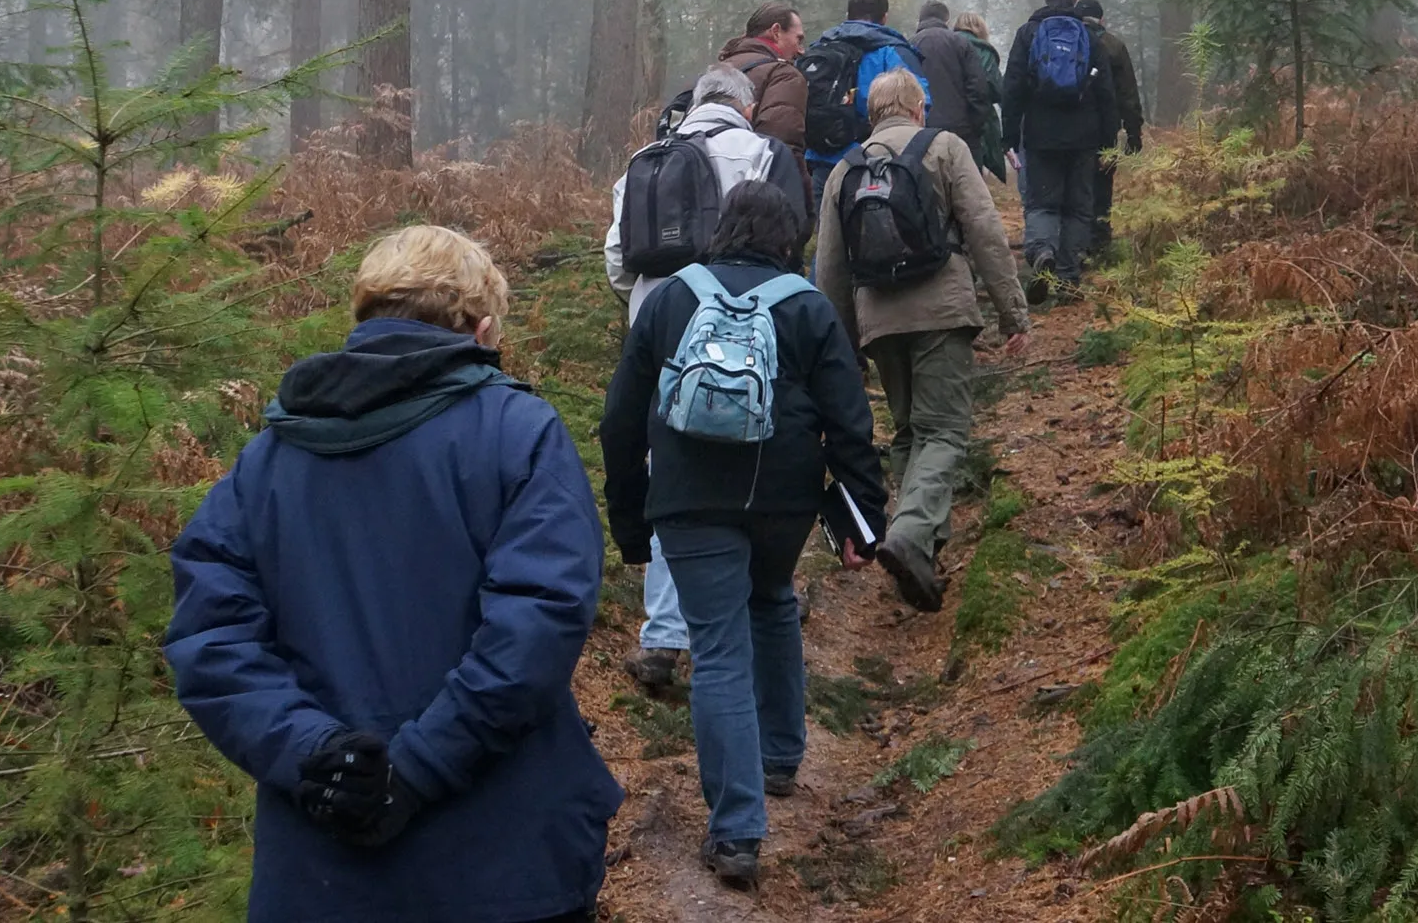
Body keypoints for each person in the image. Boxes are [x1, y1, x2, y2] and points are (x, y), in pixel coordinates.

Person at [166, 226, 620, 923]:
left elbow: (211, 638)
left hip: (321, 878)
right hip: (505, 868)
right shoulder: (518, 432)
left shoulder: (266, 461)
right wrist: (414, 770)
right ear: (484, 329)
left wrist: (319, 756)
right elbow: (537, 623)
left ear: (362, 320)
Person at [599, 181, 888, 891]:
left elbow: (620, 418)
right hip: (785, 499)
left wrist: (633, 524)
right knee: (771, 600)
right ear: (789, 239)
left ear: (722, 228)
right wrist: (862, 521)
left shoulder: (672, 298)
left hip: (690, 503)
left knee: (719, 649)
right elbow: (851, 422)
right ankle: (783, 757)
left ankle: (735, 834)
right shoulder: (808, 307)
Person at [604, 63, 807, 695]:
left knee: (667, 462)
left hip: (658, 318)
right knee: (746, 459)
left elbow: (617, 256)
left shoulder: (647, 158)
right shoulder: (760, 151)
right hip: (749, 326)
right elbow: (789, 236)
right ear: (746, 107)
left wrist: (648, 309)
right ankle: (743, 610)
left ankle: (663, 636)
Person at [813, 69, 1031, 611]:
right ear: (916, 109)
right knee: (945, 432)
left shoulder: (846, 168)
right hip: (941, 310)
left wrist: (843, 349)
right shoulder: (944, 147)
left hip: (877, 320)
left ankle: (919, 555)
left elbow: (830, 270)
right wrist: (1013, 313)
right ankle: (910, 535)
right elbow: (983, 229)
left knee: (910, 432)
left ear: (873, 114)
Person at [1001, 0, 1120, 295]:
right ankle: (1068, 277)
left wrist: (1008, 136)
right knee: (1078, 206)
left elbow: (1012, 88)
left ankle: (1042, 252)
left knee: (1042, 202)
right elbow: (1106, 93)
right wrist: (1109, 144)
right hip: (1084, 137)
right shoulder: (1089, 38)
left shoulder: (1028, 34)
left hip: (1040, 135)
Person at [799, 0, 928, 200]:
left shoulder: (821, 48)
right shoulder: (892, 52)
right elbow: (920, 104)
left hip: (821, 159)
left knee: (829, 231)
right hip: (874, 165)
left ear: (847, 16)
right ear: (884, 17)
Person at [1074, 0, 1145, 251]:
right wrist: (1134, 132)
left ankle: (1071, 242)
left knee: (1073, 183)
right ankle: (1100, 240)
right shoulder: (1113, 45)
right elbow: (1127, 93)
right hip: (1106, 127)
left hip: (1068, 127)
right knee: (1102, 182)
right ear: (1101, 20)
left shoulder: (1068, 41)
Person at [714, 2, 811, 152]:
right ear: (776, 31)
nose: (801, 51)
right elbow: (782, 148)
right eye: (799, 39)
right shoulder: (784, 75)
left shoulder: (714, 72)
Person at [909, 0, 989, 146]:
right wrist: (976, 127)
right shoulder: (961, 43)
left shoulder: (909, 45)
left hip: (921, 133)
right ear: (947, 20)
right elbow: (978, 87)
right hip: (961, 132)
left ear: (920, 20)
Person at [952, 9, 1009, 182]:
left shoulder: (947, 45)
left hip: (948, 117)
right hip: (976, 123)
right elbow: (997, 90)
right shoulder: (985, 51)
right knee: (972, 177)